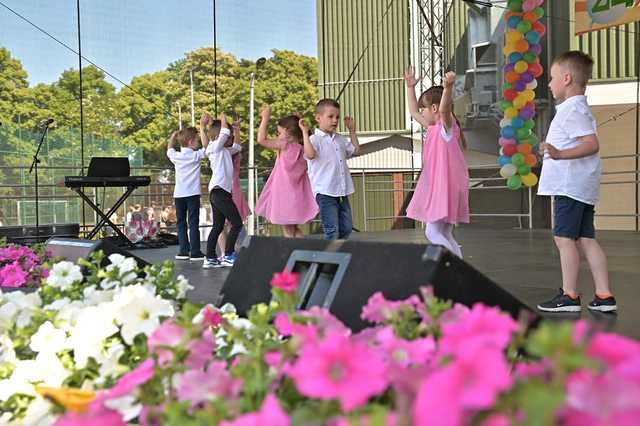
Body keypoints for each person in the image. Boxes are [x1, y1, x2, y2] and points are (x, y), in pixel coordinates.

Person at [536, 51, 616, 313]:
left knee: (563, 239)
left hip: (569, 187)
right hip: (580, 186)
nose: (549, 83)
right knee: (585, 239)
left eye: (552, 78)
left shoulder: (572, 110)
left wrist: (559, 154)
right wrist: (552, 150)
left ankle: (569, 295)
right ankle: (604, 295)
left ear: (567, 78)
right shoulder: (576, 109)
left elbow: (591, 144)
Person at [403, 67, 470, 258]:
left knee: (432, 232)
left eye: (424, 108)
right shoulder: (433, 129)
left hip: (445, 188)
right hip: (445, 187)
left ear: (434, 109)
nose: (421, 112)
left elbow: (445, 109)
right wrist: (409, 87)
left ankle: (453, 267)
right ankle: (459, 266)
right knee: (444, 232)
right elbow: (414, 112)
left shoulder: (446, 128)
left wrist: (448, 88)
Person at [254, 105, 318, 237]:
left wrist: (265, 118)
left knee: (288, 229)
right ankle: (302, 252)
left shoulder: (285, 145)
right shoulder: (303, 148)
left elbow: (261, 140)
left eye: (280, 132)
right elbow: (307, 140)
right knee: (293, 228)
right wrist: (301, 124)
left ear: (288, 132)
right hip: (298, 192)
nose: (279, 136)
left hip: (283, 192)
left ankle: (292, 252)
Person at [304, 99, 360, 240]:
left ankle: (341, 255)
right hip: (325, 192)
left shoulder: (340, 139)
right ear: (318, 118)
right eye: (330, 116)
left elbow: (356, 151)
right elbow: (310, 155)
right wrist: (304, 133)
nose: (335, 120)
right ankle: (330, 259)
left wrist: (352, 131)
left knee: (346, 228)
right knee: (331, 230)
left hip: (341, 190)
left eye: (337, 117)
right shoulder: (314, 139)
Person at [201, 112, 243, 268]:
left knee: (218, 226)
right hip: (219, 192)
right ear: (219, 136)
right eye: (228, 135)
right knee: (237, 223)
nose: (230, 137)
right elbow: (224, 132)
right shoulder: (215, 147)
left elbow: (237, 147)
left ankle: (210, 258)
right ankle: (228, 255)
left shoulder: (224, 150)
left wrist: (237, 129)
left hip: (219, 192)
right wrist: (223, 117)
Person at [166, 127, 206, 261]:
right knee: (193, 223)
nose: (199, 142)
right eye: (197, 140)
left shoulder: (176, 156)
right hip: (193, 194)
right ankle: (195, 252)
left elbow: (169, 149)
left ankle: (183, 251)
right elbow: (208, 148)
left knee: (181, 223)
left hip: (179, 195)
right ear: (190, 142)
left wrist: (173, 136)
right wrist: (204, 129)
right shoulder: (196, 155)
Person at [217, 119, 250, 255]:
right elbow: (236, 145)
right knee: (226, 223)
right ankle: (229, 251)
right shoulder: (222, 151)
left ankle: (229, 251)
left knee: (226, 223)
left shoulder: (227, 152)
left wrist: (236, 131)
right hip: (227, 189)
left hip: (229, 189)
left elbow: (237, 145)